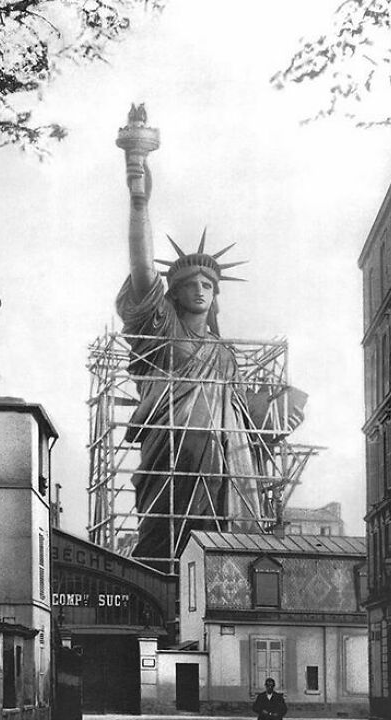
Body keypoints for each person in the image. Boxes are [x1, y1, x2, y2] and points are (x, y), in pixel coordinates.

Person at [116, 154, 266, 566]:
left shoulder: (224, 354)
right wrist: (139, 202)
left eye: (208, 285)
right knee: (163, 534)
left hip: (219, 454)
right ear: (174, 293)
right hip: (171, 446)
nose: (200, 291)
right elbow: (142, 266)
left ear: (216, 295)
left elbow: (245, 417)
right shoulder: (163, 327)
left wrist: (276, 406)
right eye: (190, 285)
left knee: (214, 542)